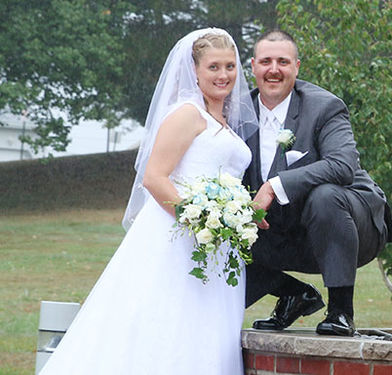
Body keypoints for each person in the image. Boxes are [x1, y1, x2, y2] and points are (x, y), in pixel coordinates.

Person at [39, 28, 258, 374]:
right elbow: (154, 177)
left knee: (206, 330)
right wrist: (198, 218)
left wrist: (233, 218)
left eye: (230, 66)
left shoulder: (226, 123)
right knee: (163, 322)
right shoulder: (187, 114)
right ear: (195, 71)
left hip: (217, 244)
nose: (224, 75)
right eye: (214, 67)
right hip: (178, 236)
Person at [243, 29, 392, 336]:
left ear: (297, 67)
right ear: (253, 66)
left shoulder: (325, 107)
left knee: (325, 196)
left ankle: (340, 312)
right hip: (283, 230)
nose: (274, 69)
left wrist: (274, 185)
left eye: (283, 62)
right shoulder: (237, 113)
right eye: (266, 61)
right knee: (217, 221)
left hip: (350, 223)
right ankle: (293, 294)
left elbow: (343, 166)